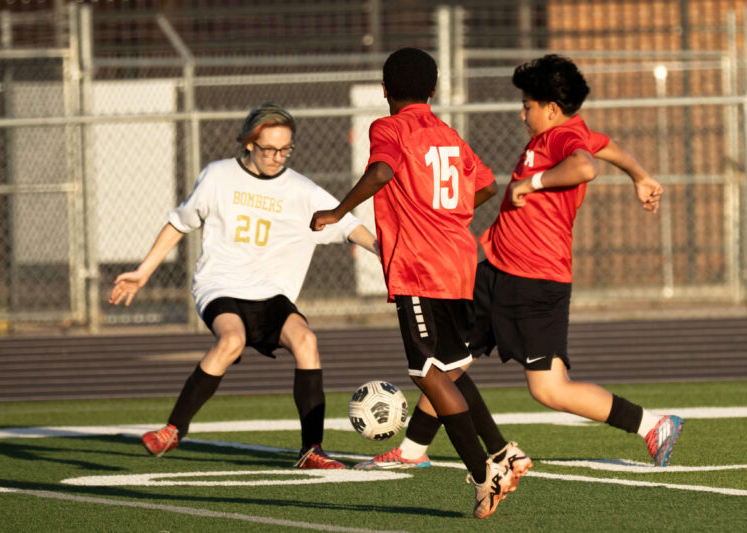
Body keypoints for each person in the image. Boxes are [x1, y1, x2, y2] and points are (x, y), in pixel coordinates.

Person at [357, 53, 682, 473]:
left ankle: (652, 425)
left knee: (550, 389)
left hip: (535, 282)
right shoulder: (560, 134)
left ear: (550, 108)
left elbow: (586, 165)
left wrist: (535, 181)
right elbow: (607, 147)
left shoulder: (565, 138)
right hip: (495, 269)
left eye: (527, 105)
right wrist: (641, 177)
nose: (521, 112)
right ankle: (412, 450)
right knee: (445, 362)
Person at [109, 102, 378, 469]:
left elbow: (347, 224)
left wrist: (382, 251)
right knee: (231, 339)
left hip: (272, 295)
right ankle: (173, 430)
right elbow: (179, 223)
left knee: (306, 340)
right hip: (220, 286)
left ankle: (312, 450)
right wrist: (143, 272)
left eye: (286, 149)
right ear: (249, 143)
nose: (277, 157)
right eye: (269, 148)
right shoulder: (218, 176)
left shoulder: (301, 189)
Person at [310, 47, 515, 519]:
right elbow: (485, 185)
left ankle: (486, 475)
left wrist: (339, 213)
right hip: (460, 259)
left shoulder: (389, 126)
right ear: (435, 89)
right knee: (449, 365)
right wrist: (449, 215)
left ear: (385, 90)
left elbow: (382, 171)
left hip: (421, 265)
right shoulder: (446, 132)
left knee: (426, 373)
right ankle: (501, 453)